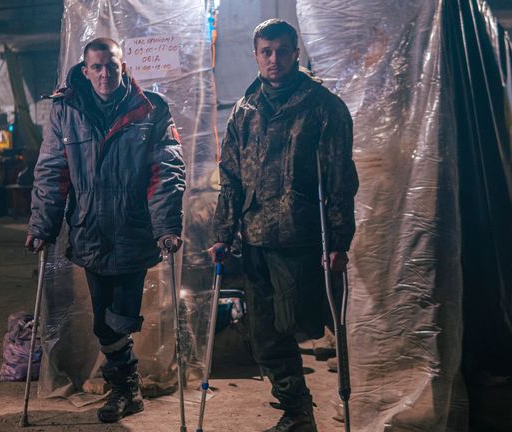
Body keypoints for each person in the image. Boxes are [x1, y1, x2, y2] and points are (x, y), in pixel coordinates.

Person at [26, 37, 186, 423]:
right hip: (91, 230)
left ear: (123, 67)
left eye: (110, 66)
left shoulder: (150, 109)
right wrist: (42, 225)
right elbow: (53, 170)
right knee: (104, 322)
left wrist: (165, 225)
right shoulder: (66, 110)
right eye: (96, 67)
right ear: (85, 70)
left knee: (120, 319)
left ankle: (124, 388)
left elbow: (165, 171)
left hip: (133, 230)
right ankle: (127, 390)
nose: (104, 73)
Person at [209, 19, 358, 432]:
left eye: (281, 51)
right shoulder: (245, 110)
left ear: (296, 52)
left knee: (297, 324)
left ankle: (308, 407)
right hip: (255, 237)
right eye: (266, 52)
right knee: (264, 335)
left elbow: (340, 180)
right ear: (256, 55)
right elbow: (231, 177)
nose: (274, 59)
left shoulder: (323, 107)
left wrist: (339, 240)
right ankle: (297, 411)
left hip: (300, 236)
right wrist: (224, 233)